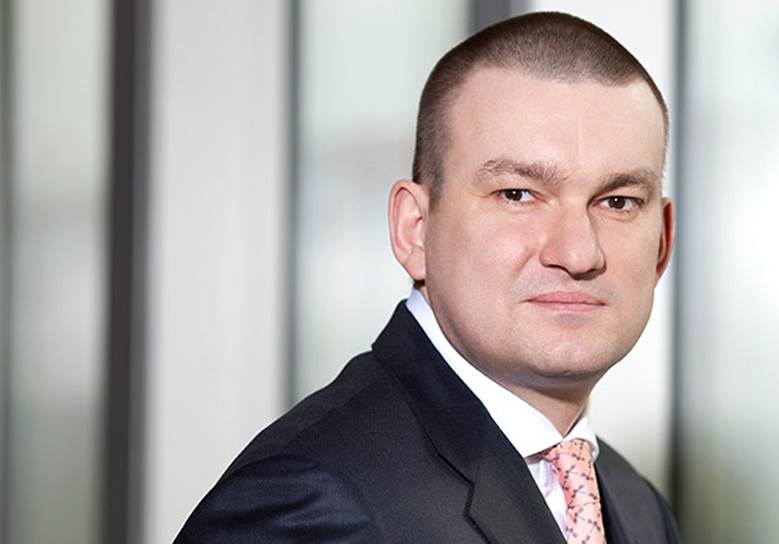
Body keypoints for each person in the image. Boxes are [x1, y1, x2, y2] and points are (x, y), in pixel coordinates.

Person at [176, 11, 677, 544]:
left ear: (662, 243)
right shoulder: (310, 501)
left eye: (618, 202)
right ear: (414, 230)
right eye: (517, 195)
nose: (578, 252)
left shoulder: (636, 507)